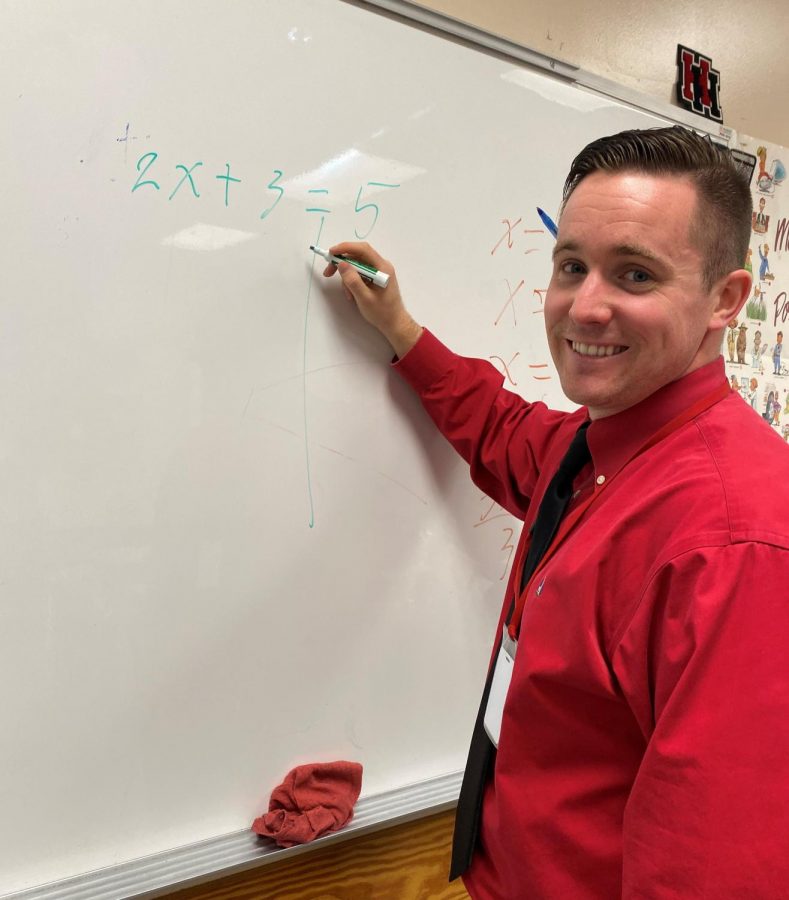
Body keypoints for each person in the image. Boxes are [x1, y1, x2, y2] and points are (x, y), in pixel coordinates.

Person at [323, 127, 789, 899]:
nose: (585, 306)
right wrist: (399, 329)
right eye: (571, 266)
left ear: (724, 301)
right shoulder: (599, 452)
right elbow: (503, 433)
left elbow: (709, 870)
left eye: (634, 275)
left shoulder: (734, 544)